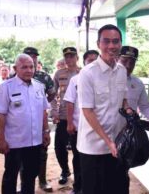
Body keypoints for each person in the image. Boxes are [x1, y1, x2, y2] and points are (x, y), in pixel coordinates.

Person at [77, 24, 132, 194]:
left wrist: (129, 111)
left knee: (118, 189)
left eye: (115, 41)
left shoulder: (122, 71)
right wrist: (108, 141)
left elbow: (123, 100)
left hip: (118, 146)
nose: (111, 46)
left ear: (120, 44)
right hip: (93, 148)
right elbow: (88, 111)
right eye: (106, 41)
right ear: (98, 43)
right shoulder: (87, 73)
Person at [0, 54, 50, 194]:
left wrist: (46, 131)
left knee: (30, 175)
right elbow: (1, 115)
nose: (29, 70)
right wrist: (0, 139)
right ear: (15, 68)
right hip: (14, 142)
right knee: (11, 175)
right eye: (24, 67)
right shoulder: (5, 87)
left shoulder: (39, 86)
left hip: (34, 141)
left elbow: (43, 111)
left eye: (31, 67)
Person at [64, 49, 99, 194]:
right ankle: (78, 187)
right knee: (78, 159)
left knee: (96, 160)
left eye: (95, 60)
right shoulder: (75, 79)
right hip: (79, 128)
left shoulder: (104, 79)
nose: (93, 63)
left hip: (98, 129)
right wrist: (70, 123)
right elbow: (70, 102)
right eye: (89, 60)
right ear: (84, 62)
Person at [23, 46, 56, 192]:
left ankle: (42, 181)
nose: (32, 58)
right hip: (22, 123)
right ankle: (24, 183)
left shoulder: (44, 77)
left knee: (42, 152)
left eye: (34, 56)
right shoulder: (14, 76)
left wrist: (43, 104)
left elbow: (52, 93)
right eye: (29, 56)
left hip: (40, 119)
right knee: (22, 154)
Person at [51, 47, 80, 185]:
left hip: (78, 118)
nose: (68, 59)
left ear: (77, 58)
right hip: (62, 116)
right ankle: (65, 170)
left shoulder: (84, 73)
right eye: (66, 56)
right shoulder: (59, 74)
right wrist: (54, 111)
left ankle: (79, 177)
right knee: (59, 147)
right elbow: (52, 94)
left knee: (77, 149)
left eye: (71, 56)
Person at [118, 45, 149, 122]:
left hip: (129, 130)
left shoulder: (138, 83)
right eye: (124, 61)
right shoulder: (106, 79)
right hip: (107, 130)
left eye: (132, 62)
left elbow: (145, 107)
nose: (128, 65)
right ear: (116, 59)